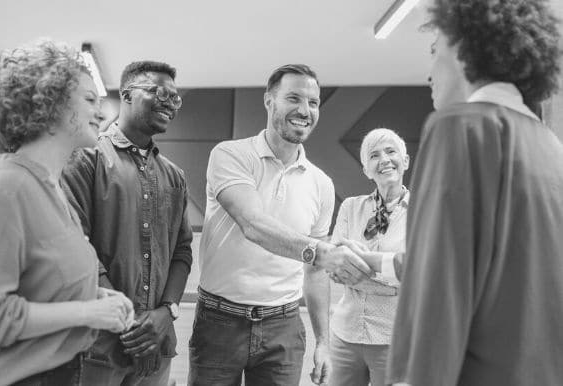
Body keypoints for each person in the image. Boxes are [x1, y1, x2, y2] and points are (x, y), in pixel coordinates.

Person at [386, 1, 563, 385]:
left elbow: (437, 291)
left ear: (465, 49)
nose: (430, 74)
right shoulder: (551, 148)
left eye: (436, 53)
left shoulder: (462, 128)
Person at [188, 64, 373, 386]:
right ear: (269, 100)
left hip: (284, 325)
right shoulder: (232, 155)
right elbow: (254, 224)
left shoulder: (321, 184)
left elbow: (314, 272)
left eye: (313, 103)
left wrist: (324, 343)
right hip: (219, 321)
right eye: (293, 98)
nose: (305, 110)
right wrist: (325, 252)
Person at [0, 39, 134, 386]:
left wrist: (96, 297)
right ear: (48, 104)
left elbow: (41, 285)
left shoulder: (52, 188)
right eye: (89, 100)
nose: (103, 113)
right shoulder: (8, 190)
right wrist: (89, 311)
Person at [61, 61, 193, 386]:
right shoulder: (85, 158)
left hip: (158, 345)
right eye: (157, 91)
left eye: (174, 97)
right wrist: (130, 321)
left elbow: (182, 251)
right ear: (127, 95)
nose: (168, 102)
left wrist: (166, 313)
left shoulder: (174, 176)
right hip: (99, 345)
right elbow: (75, 247)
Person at [327, 128, 409, 386]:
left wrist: (359, 266)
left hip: (394, 338)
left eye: (391, 151)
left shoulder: (426, 211)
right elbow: (335, 267)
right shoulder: (351, 207)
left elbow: (419, 273)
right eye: (374, 155)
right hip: (345, 335)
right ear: (366, 169)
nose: (384, 159)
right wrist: (391, 283)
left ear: (405, 161)